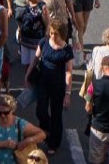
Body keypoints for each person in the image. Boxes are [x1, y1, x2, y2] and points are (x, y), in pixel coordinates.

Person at [29, 22, 77, 153]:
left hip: (58, 86)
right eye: (51, 33)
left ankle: (53, 143)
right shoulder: (44, 42)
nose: (53, 36)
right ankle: (46, 130)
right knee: (41, 110)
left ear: (62, 34)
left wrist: (68, 94)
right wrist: (27, 75)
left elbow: (68, 72)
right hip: (43, 82)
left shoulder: (67, 50)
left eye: (55, 33)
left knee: (56, 115)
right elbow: (35, 59)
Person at [0, 94, 45, 164]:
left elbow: (41, 134)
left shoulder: (20, 124)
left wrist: (28, 141)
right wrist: (3, 144)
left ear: (12, 110)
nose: (2, 115)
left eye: (6, 113)